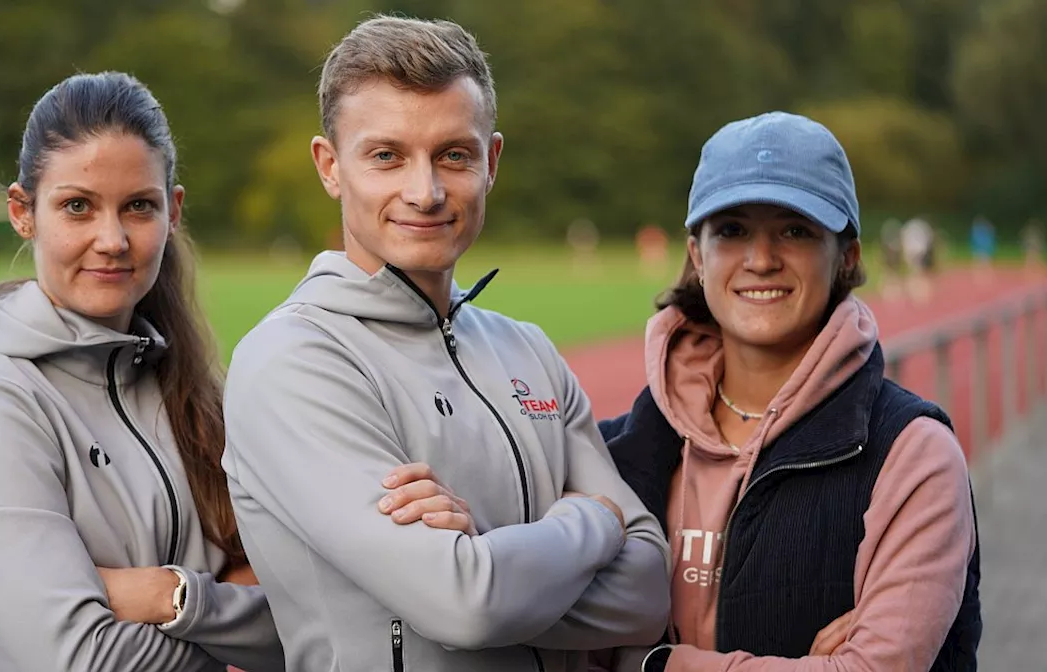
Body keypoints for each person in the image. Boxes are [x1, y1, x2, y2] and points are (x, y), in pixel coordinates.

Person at [220, 15, 672, 672]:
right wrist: (595, 524)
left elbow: (646, 592)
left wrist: (488, 560)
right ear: (330, 166)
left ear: (489, 163)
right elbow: (469, 606)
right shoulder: (293, 361)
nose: (424, 191)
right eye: (386, 156)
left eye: (453, 155)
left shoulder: (529, 351)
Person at [0, 72, 287, 672]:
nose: (112, 239)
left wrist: (170, 597)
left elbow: (307, 616)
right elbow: (78, 660)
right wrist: (224, 623)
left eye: (138, 206)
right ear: (22, 212)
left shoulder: (192, 388)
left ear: (173, 211)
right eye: (77, 207)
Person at [598, 111, 981, 671]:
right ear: (698, 256)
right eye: (732, 230)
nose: (761, 259)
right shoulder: (619, 448)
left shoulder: (912, 453)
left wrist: (651, 664)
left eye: (795, 230)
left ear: (846, 256)